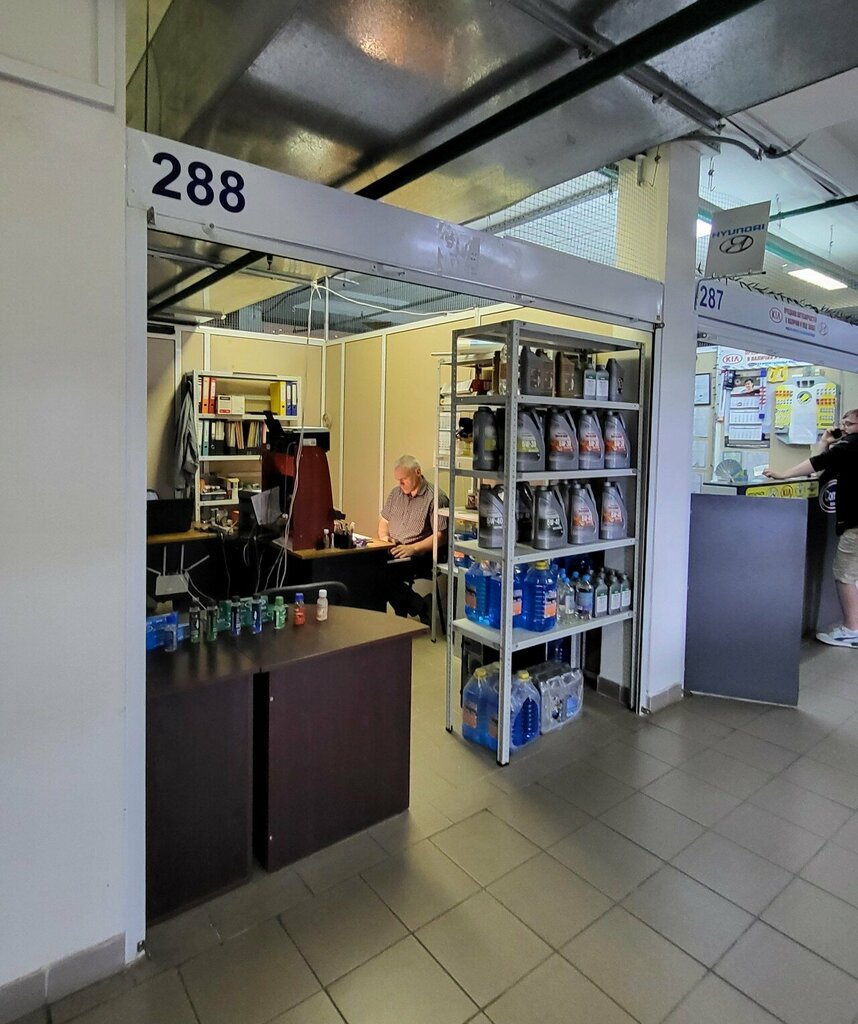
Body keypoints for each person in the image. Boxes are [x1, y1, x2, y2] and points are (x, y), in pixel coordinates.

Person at [764, 408, 858, 647]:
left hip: (855, 524)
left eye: (848, 424)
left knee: (845, 575)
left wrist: (783, 475)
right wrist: (825, 443)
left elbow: (817, 464)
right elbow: (825, 469)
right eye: (843, 423)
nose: (843, 428)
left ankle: (851, 630)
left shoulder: (850, 445)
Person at [377, 455, 448, 622]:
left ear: (417, 472)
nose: (400, 484)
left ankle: (412, 609)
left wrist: (413, 548)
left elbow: (441, 536)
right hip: (395, 548)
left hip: (421, 554)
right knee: (368, 568)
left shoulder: (436, 498)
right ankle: (421, 606)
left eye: (404, 479)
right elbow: (384, 521)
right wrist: (385, 537)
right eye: (398, 480)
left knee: (382, 574)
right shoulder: (396, 494)